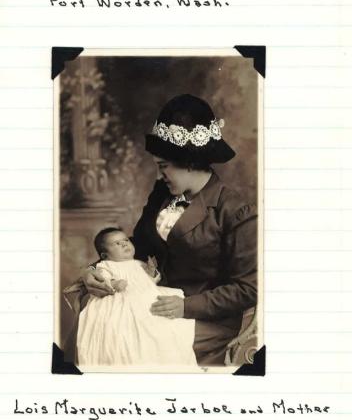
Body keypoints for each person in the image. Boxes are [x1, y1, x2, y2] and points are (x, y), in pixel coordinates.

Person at [82, 94, 257, 366]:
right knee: (100, 327)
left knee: (134, 344)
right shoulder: (162, 193)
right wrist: (95, 270)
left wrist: (185, 306)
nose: (158, 175)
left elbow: (248, 288)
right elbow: (136, 245)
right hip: (152, 300)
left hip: (204, 317)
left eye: (163, 166)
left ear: (189, 160)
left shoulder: (235, 210)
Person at [73, 227, 196, 367]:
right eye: (116, 244)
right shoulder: (106, 265)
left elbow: (150, 282)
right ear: (105, 255)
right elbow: (102, 280)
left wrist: (151, 272)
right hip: (123, 298)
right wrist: (114, 283)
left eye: (125, 240)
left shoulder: (139, 263)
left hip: (145, 294)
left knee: (160, 316)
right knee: (129, 321)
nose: (124, 244)